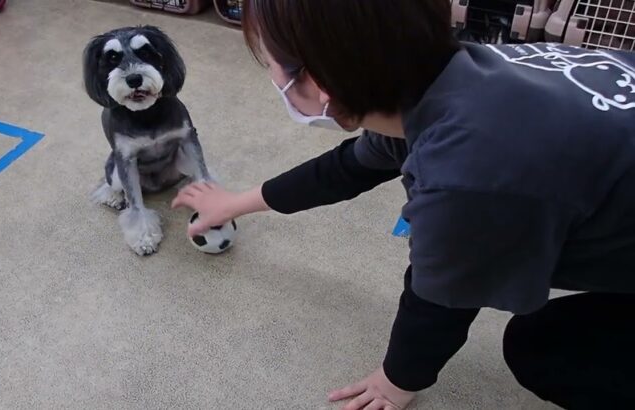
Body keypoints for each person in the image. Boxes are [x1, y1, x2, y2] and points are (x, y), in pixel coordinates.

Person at [172, 1, 635, 408]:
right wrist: (237, 202)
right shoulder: (453, 75)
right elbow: (348, 168)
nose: (271, 76)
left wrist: (397, 382)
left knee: (546, 350)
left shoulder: (467, 175)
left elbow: (439, 303)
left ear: (317, 84)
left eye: (270, 64)